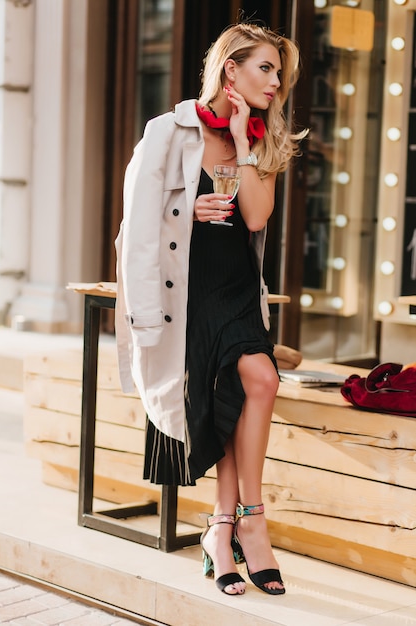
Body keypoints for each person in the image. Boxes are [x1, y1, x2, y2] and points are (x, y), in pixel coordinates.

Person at [115, 22, 304, 597]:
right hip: (187, 294)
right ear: (231, 71)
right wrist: (184, 212)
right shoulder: (167, 132)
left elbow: (253, 218)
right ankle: (232, 527)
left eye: (278, 72)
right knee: (234, 389)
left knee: (259, 380)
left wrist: (247, 144)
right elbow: (136, 227)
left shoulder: (264, 137)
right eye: (265, 69)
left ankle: (238, 522)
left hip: (238, 288)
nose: (276, 83)